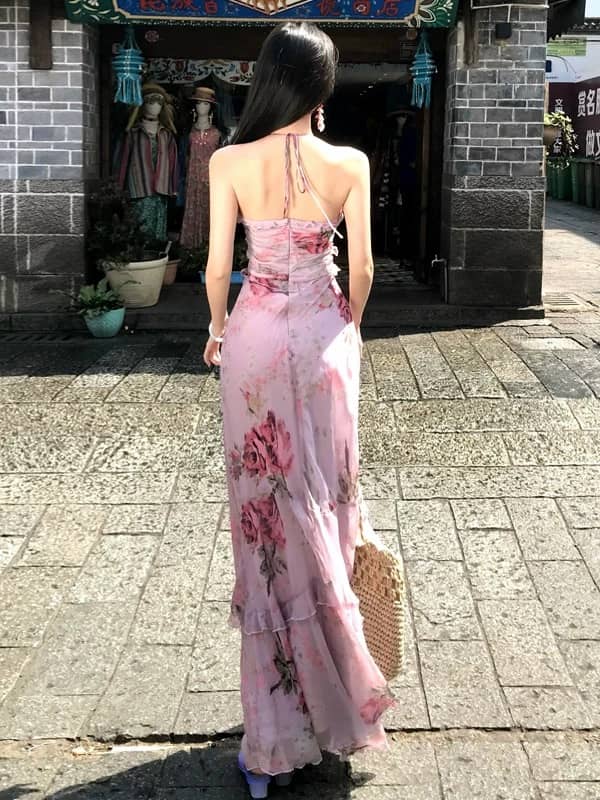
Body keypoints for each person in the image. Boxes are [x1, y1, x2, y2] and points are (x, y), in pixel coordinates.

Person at [202, 21, 396, 799]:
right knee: (327, 501)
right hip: (324, 340)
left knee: (266, 523)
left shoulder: (229, 160)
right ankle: (332, 708)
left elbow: (218, 267)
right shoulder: (349, 163)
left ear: (266, 79)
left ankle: (273, 736)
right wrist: (349, 327)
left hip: (253, 335)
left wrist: (215, 330)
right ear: (321, 86)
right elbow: (365, 269)